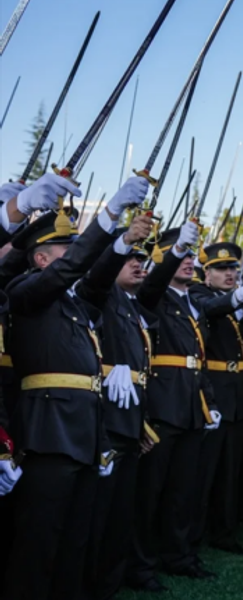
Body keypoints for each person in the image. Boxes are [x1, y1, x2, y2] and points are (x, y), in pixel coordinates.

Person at [4, 174, 148, 600]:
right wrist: (108, 215)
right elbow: (73, 268)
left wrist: (121, 242)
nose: (75, 258)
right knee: (40, 540)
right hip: (48, 432)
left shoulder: (73, 304)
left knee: (75, 539)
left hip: (84, 433)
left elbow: (96, 280)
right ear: (41, 259)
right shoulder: (25, 291)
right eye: (65, 251)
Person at [127, 221, 225, 589]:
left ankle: (179, 555)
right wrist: (175, 251)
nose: (187, 261)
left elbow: (199, 360)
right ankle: (141, 565)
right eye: (177, 255)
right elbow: (153, 284)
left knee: (184, 490)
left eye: (188, 254)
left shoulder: (193, 302)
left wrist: (208, 402)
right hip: (162, 405)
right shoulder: (152, 294)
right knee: (150, 492)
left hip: (191, 405)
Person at [80, 215, 157, 600]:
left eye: (141, 259)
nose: (137, 264)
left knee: (120, 512)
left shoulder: (131, 305)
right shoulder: (101, 295)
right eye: (130, 259)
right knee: (98, 512)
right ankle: (90, 583)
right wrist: (121, 242)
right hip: (104, 420)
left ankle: (110, 583)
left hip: (128, 419)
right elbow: (96, 280)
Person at [189, 242, 243, 557]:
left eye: (233, 268)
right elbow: (212, 309)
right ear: (206, 274)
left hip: (236, 393)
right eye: (221, 269)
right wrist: (242, 293)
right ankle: (192, 536)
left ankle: (224, 532)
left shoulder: (236, 301)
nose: (229, 273)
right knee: (204, 471)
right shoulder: (198, 294)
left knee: (230, 472)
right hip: (212, 393)